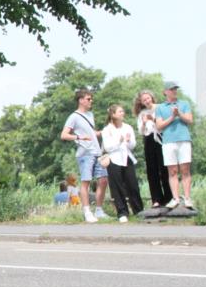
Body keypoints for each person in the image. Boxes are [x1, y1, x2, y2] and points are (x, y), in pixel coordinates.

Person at [60, 89, 109, 223]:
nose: (91, 101)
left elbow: (91, 133)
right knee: (86, 182)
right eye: (88, 99)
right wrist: (79, 137)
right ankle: (87, 211)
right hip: (85, 154)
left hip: (97, 152)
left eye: (91, 98)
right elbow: (63, 135)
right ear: (81, 100)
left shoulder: (90, 115)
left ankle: (99, 210)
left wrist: (103, 132)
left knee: (103, 180)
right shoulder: (74, 116)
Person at [155, 81, 195, 209]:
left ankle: (187, 198)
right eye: (171, 89)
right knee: (172, 171)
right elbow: (159, 126)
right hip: (168, 142)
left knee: (185, 170)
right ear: (165, 92)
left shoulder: (184, 104)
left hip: (184, 140)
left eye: (175, 89)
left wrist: (180, 114)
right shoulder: (160, 107)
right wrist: (173, 116)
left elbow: (190, 120)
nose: (174, 91)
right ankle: (176, 198)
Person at [102, 104, 144, 222]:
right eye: (120, 112)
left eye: (122, 111)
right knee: (117, 187)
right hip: (114, 160)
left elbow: (132, 145)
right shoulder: (107, 130)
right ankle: (122, 212)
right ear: (113, 114)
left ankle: (139, 210)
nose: (122, 113)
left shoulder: (128, 127)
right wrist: (119, 141)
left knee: (133, 185)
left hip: (127, 158)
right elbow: (108, 147)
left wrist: (129, 141)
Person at [133, 89, 172, 208]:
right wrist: (144, 122)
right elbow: (140, 131)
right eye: (144, 100)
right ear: (141, 102)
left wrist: (153, 119)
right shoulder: (142, 113)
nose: (147, 101)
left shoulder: (161, 108)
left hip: (161, 138)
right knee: (152, 170)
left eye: (148, 98)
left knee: (165, 168)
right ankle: (156, 198)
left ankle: (169, 197)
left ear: (152, 97)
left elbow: (166, 123)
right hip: (149, 140)